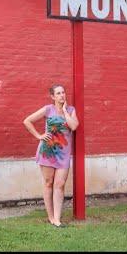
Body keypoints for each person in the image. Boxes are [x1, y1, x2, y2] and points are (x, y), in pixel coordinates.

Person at [23, 85, 79, 227]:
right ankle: (51, 217)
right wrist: (39, 136)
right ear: (53, 97)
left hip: (64, 153)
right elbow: (27, 121)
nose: (62, 95)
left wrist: (65, 111)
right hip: (47, 151)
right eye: (58, 93)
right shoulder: (48, 109)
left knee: (60, 185)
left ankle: (57, 218)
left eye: (63, 92)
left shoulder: (71, 110)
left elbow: (74, 126)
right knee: (49, 183)